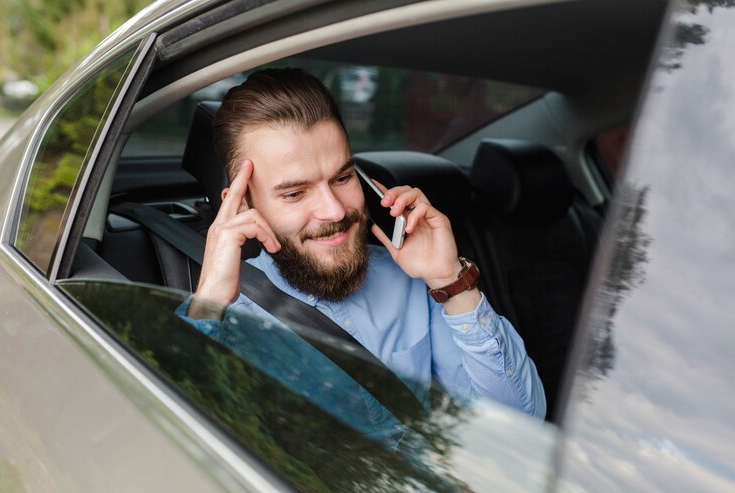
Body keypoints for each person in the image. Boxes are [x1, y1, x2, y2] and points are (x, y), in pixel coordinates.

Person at [183, 68, 546, 419]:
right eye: (295, 193)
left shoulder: (413, 281)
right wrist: (209, 304)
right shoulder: (225, 316)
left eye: (342, 177)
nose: (334, 210)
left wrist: (451, 282)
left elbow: (521, 420)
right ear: (242, 204)